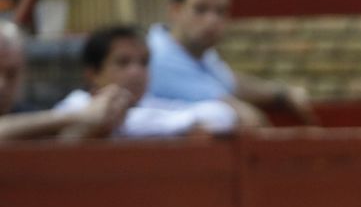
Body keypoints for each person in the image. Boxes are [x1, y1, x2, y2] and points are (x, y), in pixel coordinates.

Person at [147, 0, 317, 124]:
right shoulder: (155, 57)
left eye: (220, 11)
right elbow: (247, 119)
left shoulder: (197, 51)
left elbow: (229, 82)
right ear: (176, 10)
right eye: (200, 9)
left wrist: (281, 93)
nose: (212, 21)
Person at [55, 25, 249, 138]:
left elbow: (220, 114)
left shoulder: (153, 105)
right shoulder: (76, 106)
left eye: (144, 62)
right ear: (93, 74)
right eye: (123, 63)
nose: (136, 72)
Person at [0, 21, 133, 141]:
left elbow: (57, 145)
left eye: (12, 74)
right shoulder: (48, 119)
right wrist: (81, 116)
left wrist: (104, 117)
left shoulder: (27, 115)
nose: (2, 84)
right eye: (122, 63)